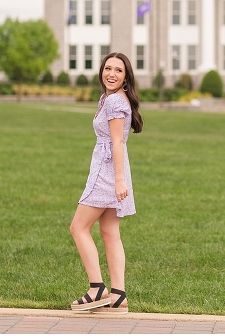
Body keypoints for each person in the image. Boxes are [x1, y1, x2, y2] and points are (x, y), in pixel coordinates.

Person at [69, 52, 143, 313]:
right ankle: (119, 295)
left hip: (107, 170)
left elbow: (117, 142)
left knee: (78, 227)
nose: (111, 74)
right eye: (107, 68)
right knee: (110, 233)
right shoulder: (111, 99)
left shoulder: (114, 103)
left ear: (126, 77)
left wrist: (119, 181)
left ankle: (96, 288)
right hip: (113, 168)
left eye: (118, 71)